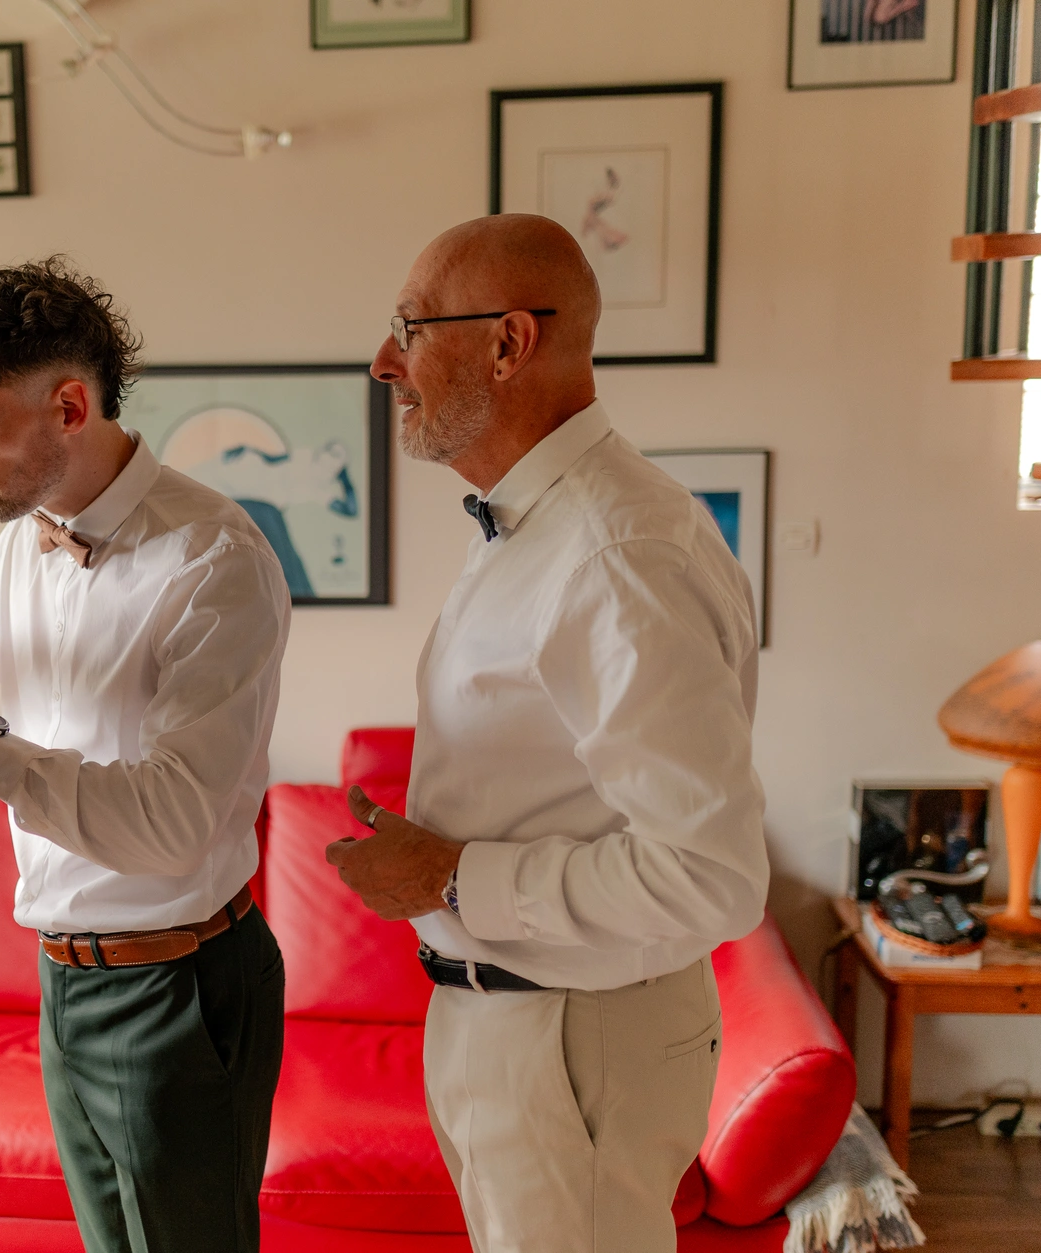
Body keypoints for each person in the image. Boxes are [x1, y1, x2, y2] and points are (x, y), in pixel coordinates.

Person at [326, 215, 768, 1253]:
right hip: (519, 1028)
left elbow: (710, 875)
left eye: (410, 326)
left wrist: (448, 875)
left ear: (507, 342)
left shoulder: (612, 552)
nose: (383, 360)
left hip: (569, 1041)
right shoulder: (539, 525)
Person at [0, 259, 291, 1253]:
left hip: (176, 985)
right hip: (62, 976)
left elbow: (172, 820)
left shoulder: (213, 562)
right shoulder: (24, 543)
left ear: (67, 404)